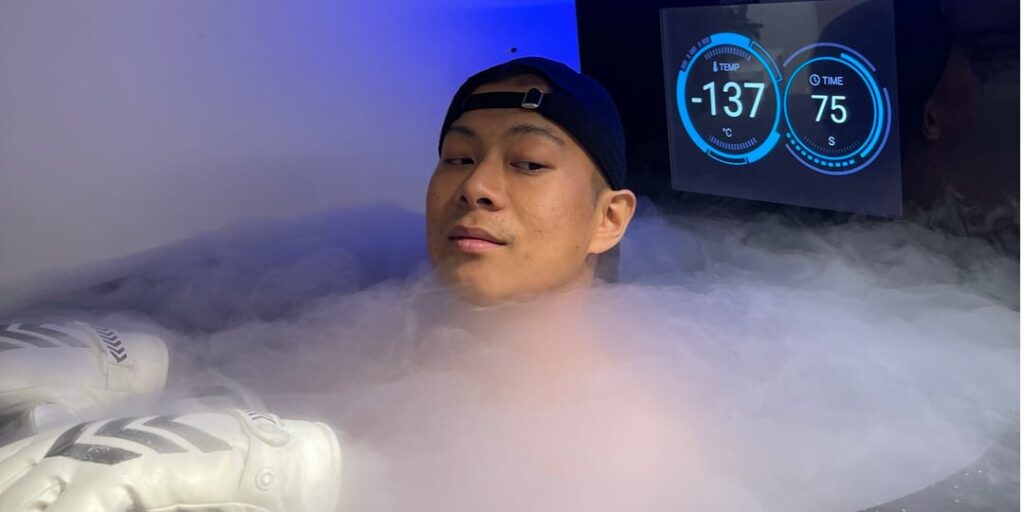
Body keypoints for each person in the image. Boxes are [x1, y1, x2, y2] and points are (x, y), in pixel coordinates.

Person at [0, 56, 637, 511]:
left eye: (528, 163)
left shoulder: (627, 431)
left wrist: (299, 475)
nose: (475, 186)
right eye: (457, 158)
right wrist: (141, 368)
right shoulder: (396, 327)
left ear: (607, 220)